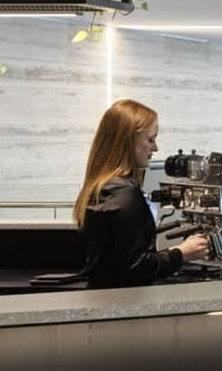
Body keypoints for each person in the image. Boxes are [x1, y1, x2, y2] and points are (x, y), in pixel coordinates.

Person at [75, 98, 210, 287]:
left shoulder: (102, 186)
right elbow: (136, 266)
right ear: (128, 140)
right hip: (125, 303)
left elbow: (120, 259)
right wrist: (181, 253)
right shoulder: (125, 193)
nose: (155, 148)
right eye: (150, 139)